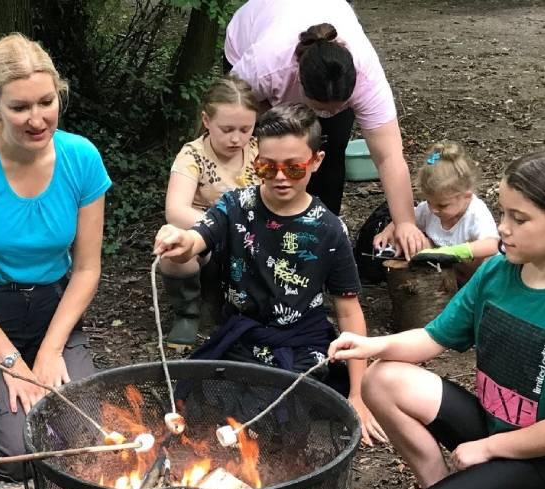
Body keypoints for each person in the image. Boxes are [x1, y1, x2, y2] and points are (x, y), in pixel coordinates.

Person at [328, 149, 545, 489]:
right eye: (504, 214)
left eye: (520, 218)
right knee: (381, 377)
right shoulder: (496, 273)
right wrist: (371, 345)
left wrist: (487, 451)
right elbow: (432, 339)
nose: (504, 228)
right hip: (490, 423)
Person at [0, 33, 110, 481]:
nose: (37, 119)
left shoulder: (81, 157)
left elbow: (87, 269)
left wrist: (50, 353)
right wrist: (11, 363)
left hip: (53, 313)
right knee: (20, 455)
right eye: (20, 108)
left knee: (89, 442)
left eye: (46, 102)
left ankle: (31, 371)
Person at [154, 105, 381, 446]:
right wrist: (179, 239)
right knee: (198, 415)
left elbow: (349, 310)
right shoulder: (235, 205)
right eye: (267, 166)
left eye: (293, 168)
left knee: (280, 427)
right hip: (241, 338)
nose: (279, 177)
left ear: (316, 161)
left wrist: (358, 395)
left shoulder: (329, 228)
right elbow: (197, 238)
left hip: (300, 343)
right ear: (256, 157)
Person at [224, 0, 430, 259]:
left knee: (330, 151)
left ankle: (319, 245)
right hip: (251, 37)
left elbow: (389, 156)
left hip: (324, 66)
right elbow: (226, 112)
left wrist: (405, 222)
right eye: (323, 109)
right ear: (298, 80)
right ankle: (260, 239)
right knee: (274, 157)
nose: (329, 114)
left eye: (337, 108)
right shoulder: (265, 66)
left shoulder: (366, 76)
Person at [162, 75, 261, 348]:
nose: (236, 138)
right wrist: (224, 226)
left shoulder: (259, 152)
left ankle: (242, 305)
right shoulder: (192, 155)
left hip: (249, 237)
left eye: (245, 129)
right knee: (173, 251)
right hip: (204, 235)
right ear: (206, 121)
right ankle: (186, 311)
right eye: (227, 129)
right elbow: (176, 210)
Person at [372, 141, 499, 284]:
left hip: (479, 279)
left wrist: (453, 252)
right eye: (429, 202)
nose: (434, 209)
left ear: (466, 196)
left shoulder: (475, 213)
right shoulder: (430, 209)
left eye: (442, 205)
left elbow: (492, 245)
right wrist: (388, 231)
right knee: (417, 240)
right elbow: (408, 220)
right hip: (448, 275)